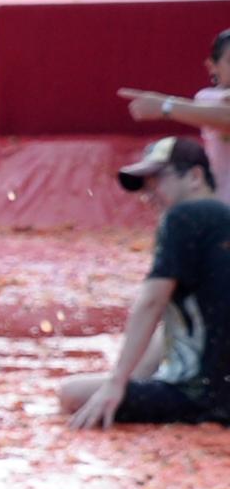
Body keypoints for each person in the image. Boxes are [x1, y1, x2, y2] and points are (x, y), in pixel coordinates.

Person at [60, 133, 230, 428]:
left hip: (201, 397)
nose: (149, 193)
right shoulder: (221, 218)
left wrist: (115, 383)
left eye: (157, 180)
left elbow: (152, 301)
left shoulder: (182, 217)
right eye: (145, 186)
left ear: (195, 176)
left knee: (71, 393)